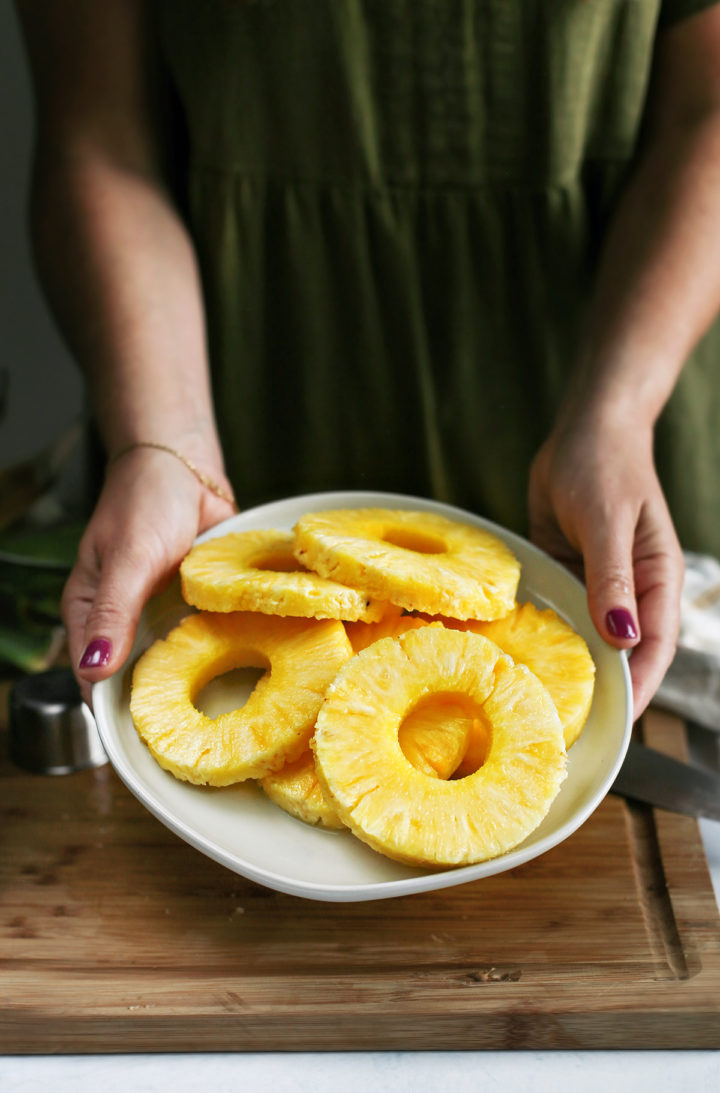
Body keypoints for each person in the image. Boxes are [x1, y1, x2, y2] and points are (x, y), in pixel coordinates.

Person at [15, 0, 720, 720]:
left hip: (612, 402)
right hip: (229, 399)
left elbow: (710, 108)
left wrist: (616, 417)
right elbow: (99, 136)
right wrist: (168, 441)